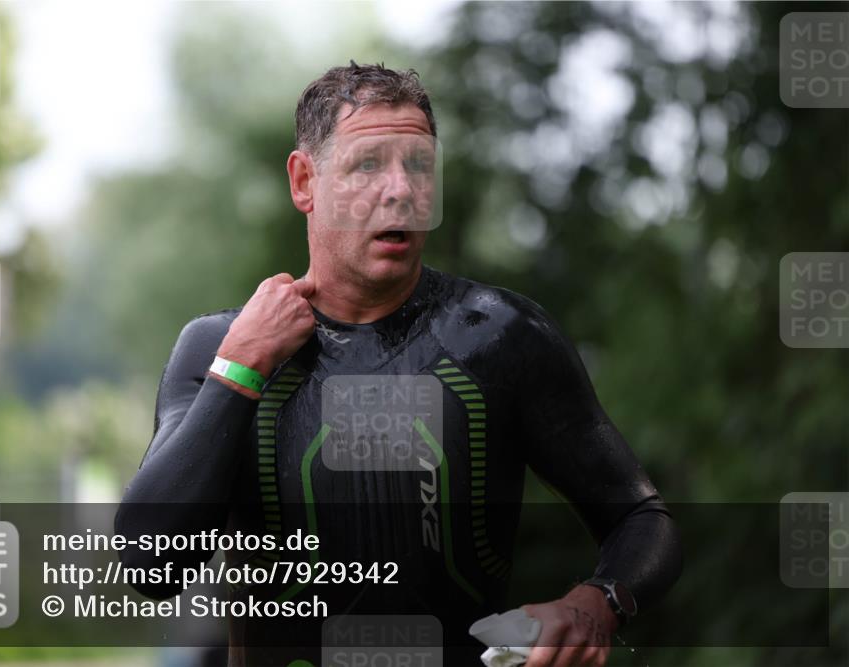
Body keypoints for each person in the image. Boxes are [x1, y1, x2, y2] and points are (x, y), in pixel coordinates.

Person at [115, 62, 682, 667]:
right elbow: (151, 564)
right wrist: (241, 369)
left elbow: (642, 519)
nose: (401, 191)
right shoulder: (218, 347)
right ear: (305, 181)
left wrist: (594, 605)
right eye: (368, 165)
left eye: (418, 165)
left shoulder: (500, 337)